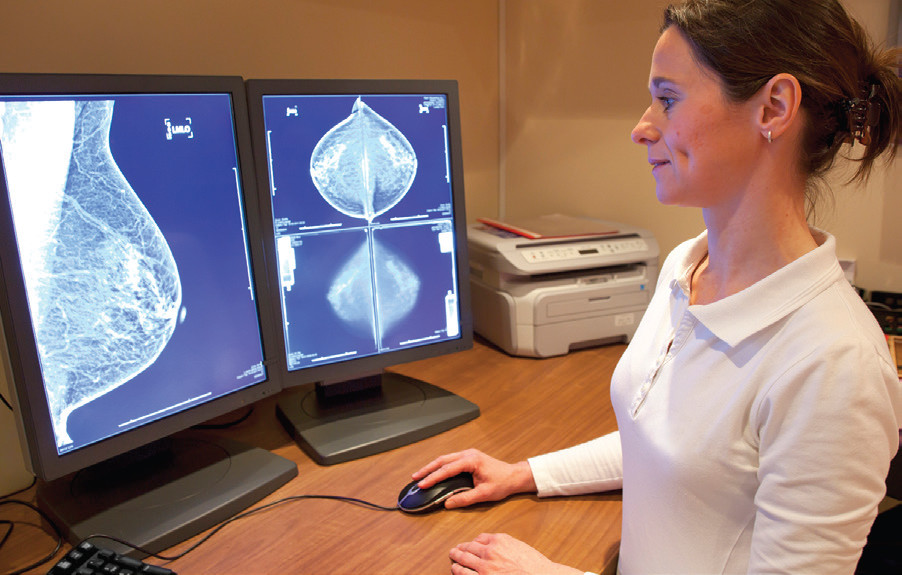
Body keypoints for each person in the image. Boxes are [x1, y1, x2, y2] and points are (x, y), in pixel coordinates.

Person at [411, 1, 902, 573]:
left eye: (668, 99)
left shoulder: (836, 367)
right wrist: (524, 474)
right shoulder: (684, 267)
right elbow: (670, 447)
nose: (642, 128)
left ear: (773, 107)